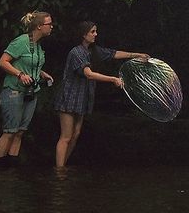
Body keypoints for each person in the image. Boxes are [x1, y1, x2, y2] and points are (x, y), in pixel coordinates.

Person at [53, 21, 150, 168]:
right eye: (92, 32)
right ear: (83, 34)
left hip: (82, 98)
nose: (95, 34)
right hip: (70, 96)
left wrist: (137, 55)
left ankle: (63, 166)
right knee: (66, 136)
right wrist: (112, 79)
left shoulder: (93, 51)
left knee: (76, 134)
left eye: (95, 31)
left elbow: (113, 54)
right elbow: (89, 74)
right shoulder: (76, 52)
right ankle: (59, 170)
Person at [0, 10, 55, 162]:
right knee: (9, 131)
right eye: (49, 24)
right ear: (40, 26)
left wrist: (41, 73)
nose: (52, 27)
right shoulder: (21, 42)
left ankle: (12, 168)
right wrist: (20, 75)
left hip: (31, 92)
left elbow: (30, 64)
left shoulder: (38, 46)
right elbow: (3, 62)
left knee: (20, 132)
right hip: (14, 91)